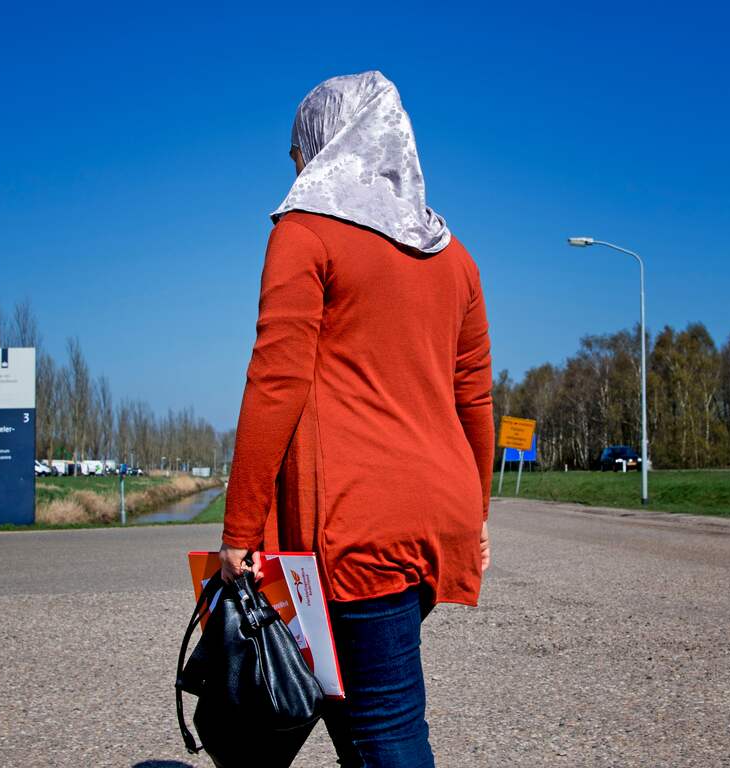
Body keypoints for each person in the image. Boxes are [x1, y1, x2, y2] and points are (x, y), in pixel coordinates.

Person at [218, 71, 493, 768]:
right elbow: (474, 398)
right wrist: (478, 516)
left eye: (298, 152)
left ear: (330, 143)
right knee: (352, 706)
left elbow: (276, 380)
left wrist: (240, 530)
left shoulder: (305, 232)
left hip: (357, 524)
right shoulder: (453, 256)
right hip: (438, 513)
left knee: (386, 732)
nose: (296, 168)